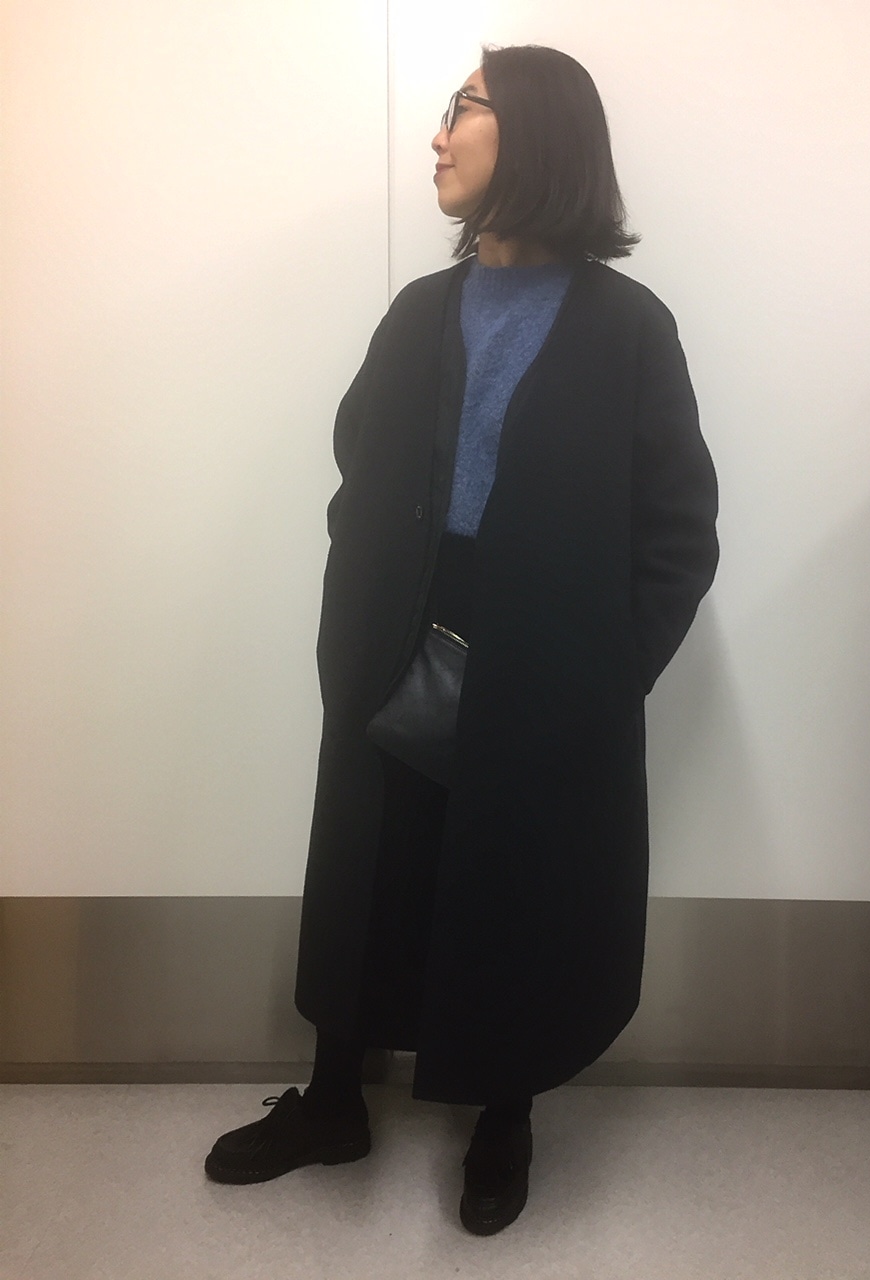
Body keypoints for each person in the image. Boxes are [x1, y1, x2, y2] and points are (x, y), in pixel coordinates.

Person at [204, 43, 719, 1236]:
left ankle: (504, 1112)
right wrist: (355, 614)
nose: (439, 136)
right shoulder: (420, 313)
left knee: (514, 879)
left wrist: (600, 679)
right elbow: (358, 466)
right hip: (396, 629)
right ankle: (334, 1099)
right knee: (369, 864)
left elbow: (678, 535)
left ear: (536, 133)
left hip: (545, 653)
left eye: (465, 110)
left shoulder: (629, 330)